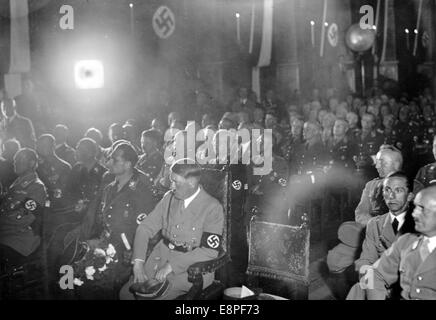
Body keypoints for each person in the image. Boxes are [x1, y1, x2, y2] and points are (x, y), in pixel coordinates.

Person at [62, 143, 157, 299]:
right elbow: (102, 221)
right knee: (72, 277)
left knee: (96, 287)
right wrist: (95, 239)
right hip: (105, 245)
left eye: (114, 159)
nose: (109, 162)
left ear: (127, 164)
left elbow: (146, 230)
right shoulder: (109, 188)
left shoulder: (140, 192)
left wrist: (134, 254)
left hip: (126, 253)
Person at [119, 158, 224, 300]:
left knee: (152, 297)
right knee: (126, 294)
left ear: (192, 183)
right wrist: (138, 262)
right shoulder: (169, 198)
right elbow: (145, 228)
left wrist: (172, 266)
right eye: (171, 180)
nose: (172, 186)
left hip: (190, 270)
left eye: (176, 182)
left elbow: (209, 251)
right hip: (159, 258)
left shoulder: (212, 208)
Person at [346, 171, 415, 300]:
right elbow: (366, 260)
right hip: (379, 284)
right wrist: (373, 283)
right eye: (387, 190)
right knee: (357, 291)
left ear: (410, 196)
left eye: (398, 190)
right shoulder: (375, 224)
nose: (391, 196)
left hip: (412, 289)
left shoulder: (421, 224)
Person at [365, 185, 436, 300]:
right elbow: (374, 275)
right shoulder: (406, 242)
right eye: (415, 207)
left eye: (422, 208)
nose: (414, 214)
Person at [0, 148, 48, 265]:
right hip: (6, 234)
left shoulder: (37, 187)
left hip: (19, 239)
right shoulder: (16, 183)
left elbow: (25, 217)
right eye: (15, 160)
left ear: (31, 163)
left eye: (20, 160)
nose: (15, 162)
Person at [36, 134, 71, 210]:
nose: (43, 148)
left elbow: (63, 191)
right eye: (40, 145)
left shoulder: (64, 166)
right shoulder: (35, 166)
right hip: (37, 206)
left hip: (56, 209)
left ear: (54, 146)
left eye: (46, 145)